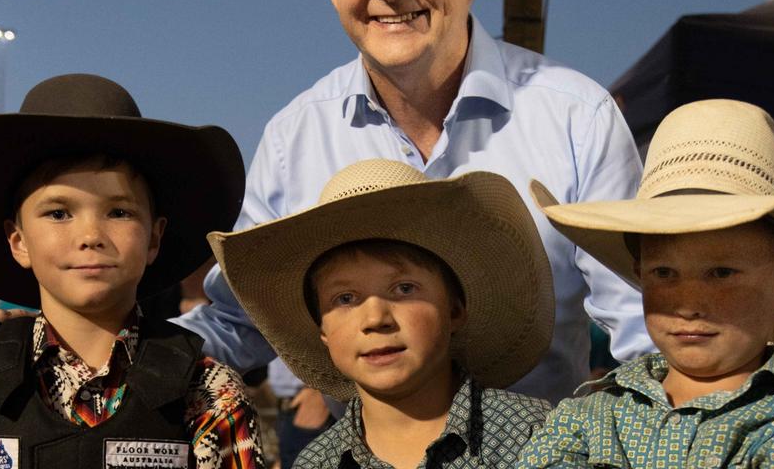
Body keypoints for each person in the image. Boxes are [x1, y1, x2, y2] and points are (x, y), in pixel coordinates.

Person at [177, 0, 650, 417]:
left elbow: (641, 324)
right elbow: (239, 322)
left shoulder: (575, 116)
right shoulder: (297, 135)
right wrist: (107, 353)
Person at [0, 73, 265, 469]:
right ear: (19, 241)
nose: (91, 235)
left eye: (119, 212)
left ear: (154, 239)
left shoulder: (211, 393)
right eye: (58, 213)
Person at [518, 99, 774, 468]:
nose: (688, 304)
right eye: (664, 273)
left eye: (720, 273)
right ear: (640, 274)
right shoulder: (588, 417)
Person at [211, 159, 554, 469]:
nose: (376, 319)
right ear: (323, 331)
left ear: (455, 309)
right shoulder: (316, 463)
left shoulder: (535, 435)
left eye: (404, 289)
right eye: (345, 298)